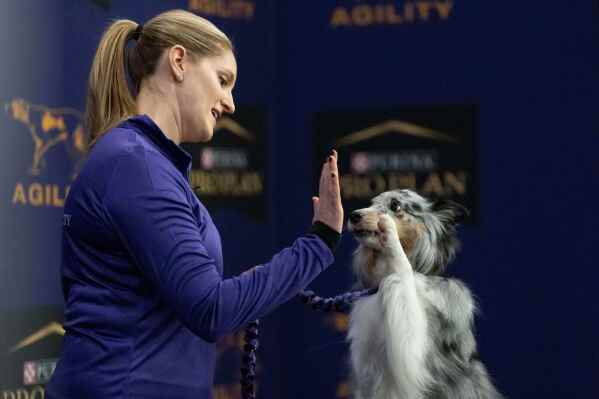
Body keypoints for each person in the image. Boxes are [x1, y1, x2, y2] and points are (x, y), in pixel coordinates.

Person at [45, 9, 343, 399]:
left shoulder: (145, 163)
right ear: (179, 61)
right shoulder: (137, 166)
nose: (231, 103)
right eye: (223, 80)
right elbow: (211, 309)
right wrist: (318, 242)